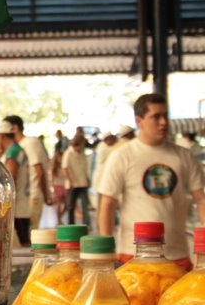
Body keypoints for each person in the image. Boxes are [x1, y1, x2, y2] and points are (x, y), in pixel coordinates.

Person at [98, 93, 205, 271]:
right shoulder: (122, 156)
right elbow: (107, 203)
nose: (163, 122)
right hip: (133, 255)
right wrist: (105, 252)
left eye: (165, 115)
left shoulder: (184, 156)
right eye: (156, 116)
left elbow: (200, 199)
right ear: (139, 121)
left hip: (176, 254)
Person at [4, 115, 51, 229]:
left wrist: (45, 195)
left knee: (32, 232)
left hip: (33, 195)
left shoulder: (30, 142)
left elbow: (38, 170)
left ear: (15, 128)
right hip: (24, 197)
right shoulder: (17, 146)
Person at [0, 120, 30, 245]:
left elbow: (10, 178)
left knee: (22, 240)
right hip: (22, 202)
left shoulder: (13, 152)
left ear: (2, 136)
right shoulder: (16, 149)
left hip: (17, 205)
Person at [61, 135, 91, 228]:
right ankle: (71, 224)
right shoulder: (68, 153)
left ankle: (87, 223)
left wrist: (87, 179)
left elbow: (85, 168)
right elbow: (65, 168)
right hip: (72, 184)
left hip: (83, 182)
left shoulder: (82, 153)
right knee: (71, 206)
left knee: (85, 205)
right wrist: (70, 181)